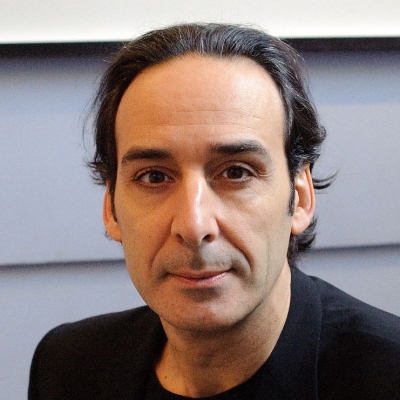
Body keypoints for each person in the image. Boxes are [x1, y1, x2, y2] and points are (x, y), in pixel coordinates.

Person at [29, 23, 400, 399]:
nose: (194, 225)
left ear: (300, 196)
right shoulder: (68, 368)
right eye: (154, 176)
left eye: (236, 172)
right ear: (111, 207)